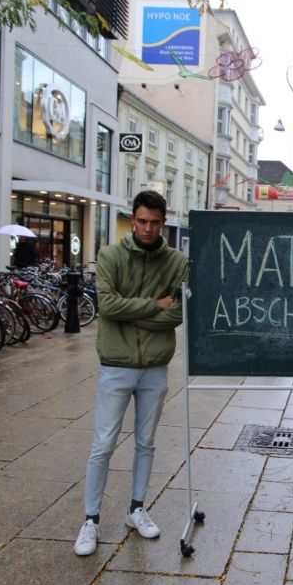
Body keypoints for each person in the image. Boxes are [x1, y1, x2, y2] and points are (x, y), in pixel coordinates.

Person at [74, 190, 190, 556]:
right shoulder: (110, 255)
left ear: (164, 222)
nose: (148, 228)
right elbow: (107, 306)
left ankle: (136, 509)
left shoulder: (177, 263)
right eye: (142, 221)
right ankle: (90, 520)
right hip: (116, 365)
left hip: (155, 366)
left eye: (155, 222)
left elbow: (178, 315)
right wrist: (155, 304)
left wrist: (131, 307)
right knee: (103, 444)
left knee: (146, 443)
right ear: (133, 219)